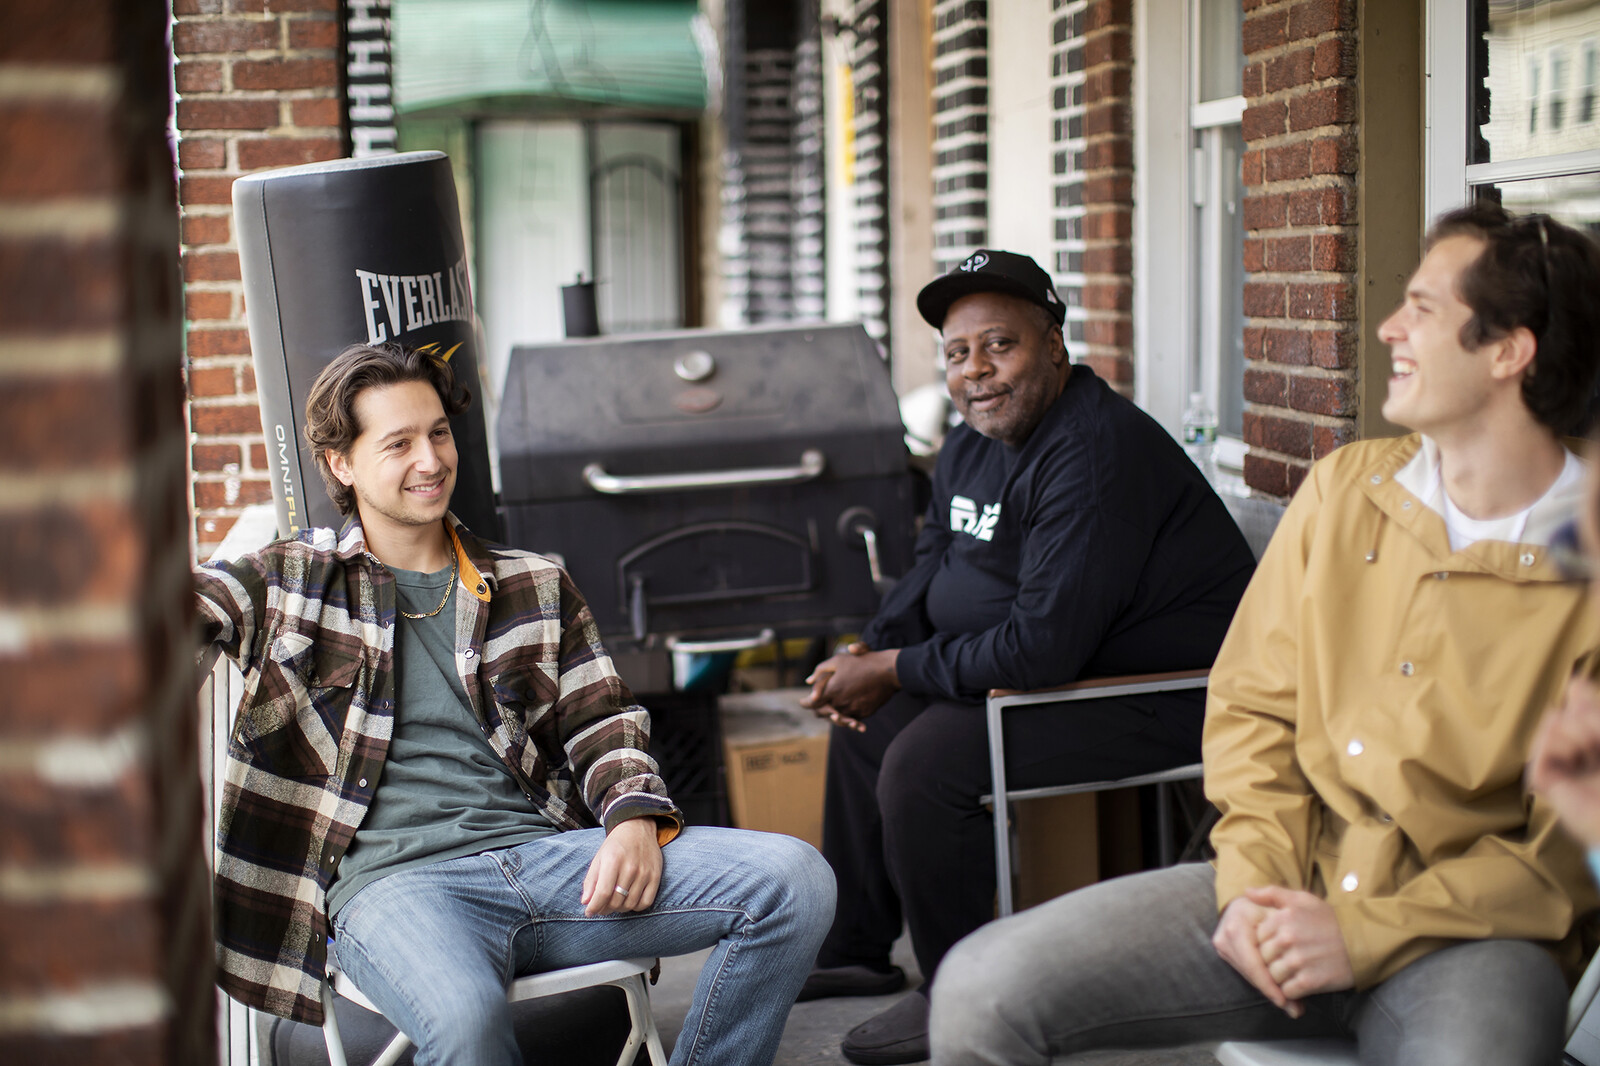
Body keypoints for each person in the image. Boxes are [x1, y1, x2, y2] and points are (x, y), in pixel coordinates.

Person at [930, 203, 1600, 1066]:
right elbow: (1252, 708)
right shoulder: (1346, 488)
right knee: (981, 989)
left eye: (1424, 309)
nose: (1390, 327)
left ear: (1510, 351)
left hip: (1471, 939)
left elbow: (1566, 849)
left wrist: (1360, 934)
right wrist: (1251, 887)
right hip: (1284, 880)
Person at [197, 342, 834, 1066]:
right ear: (341, 463)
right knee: (467, 1022)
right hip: (398, 889)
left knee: (794, 884)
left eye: (438, 433)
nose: (431, 461)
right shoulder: (290, 582)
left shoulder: (532, 582)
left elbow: (604, 720)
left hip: (550, 862)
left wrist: (634, 819)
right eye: (398, 443)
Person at [798, 249, 1257, 1064]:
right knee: (867, 725)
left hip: (1164, 696)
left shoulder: (1092, 452)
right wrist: (875, 649)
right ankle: (857, 948)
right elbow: (935, 556)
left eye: (999, 346)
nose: (977, 371)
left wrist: (896, 671)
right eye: (957, 352)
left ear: (1054, 344)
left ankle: (960, 993)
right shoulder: (974, 440)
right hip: (1062, 672)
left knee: (926, 763)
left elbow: (1041, 648)